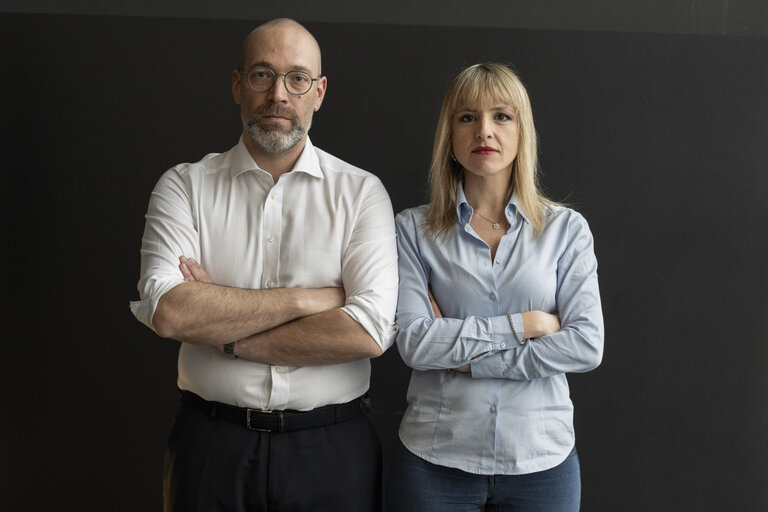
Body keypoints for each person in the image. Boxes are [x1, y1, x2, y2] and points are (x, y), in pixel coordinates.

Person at [130, 18, 398, 512]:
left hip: (333, 450)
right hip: (210, 445)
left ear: (318, 93)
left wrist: (224, 332)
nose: (279, 94)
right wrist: (310, 299)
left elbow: (368, 330)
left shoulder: (362, 193)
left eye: (297, 79)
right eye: (262, 75)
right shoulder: (184, 186)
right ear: (237, 85)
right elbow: (169, 310)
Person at [385, 63, 604, 511]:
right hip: (434, 460)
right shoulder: (412, 229)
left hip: (541, 462)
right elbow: (414, 343)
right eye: (467, 117)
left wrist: (467, 361)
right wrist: (527, 324)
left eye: (501, 116)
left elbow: (585, 344)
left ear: (522, 130)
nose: (484, 130)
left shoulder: (566, 230)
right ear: (450, 133)